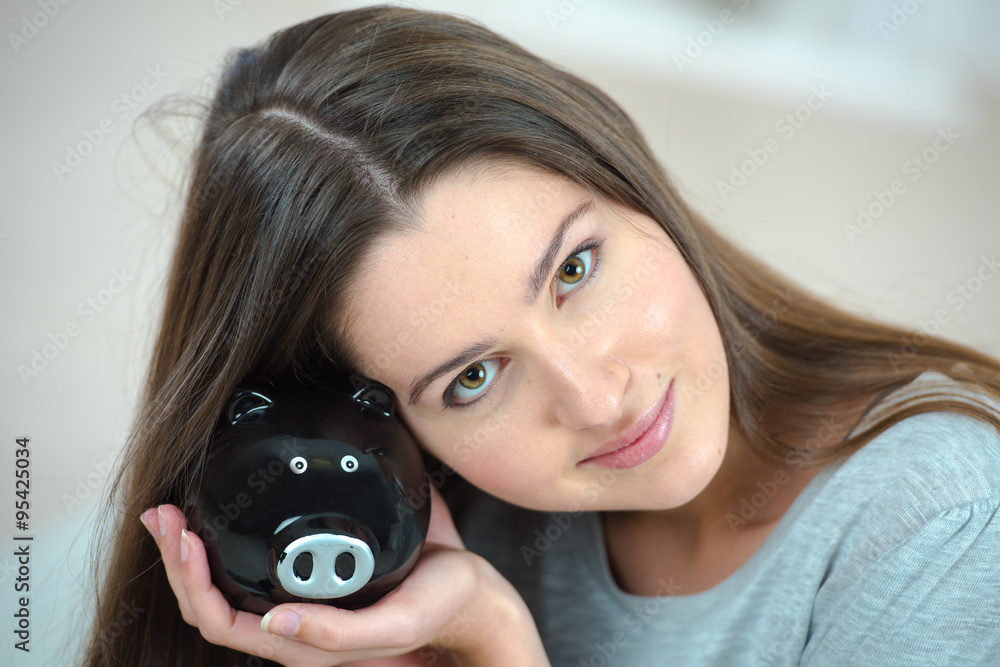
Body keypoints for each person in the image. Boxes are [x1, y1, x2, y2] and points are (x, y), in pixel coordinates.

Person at [81, 6, 1000, 666]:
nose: (598, 400)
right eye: (473, 379)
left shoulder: (933, 522)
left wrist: (500, 648)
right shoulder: (433, 537)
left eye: (574, 270)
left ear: (628, 176)